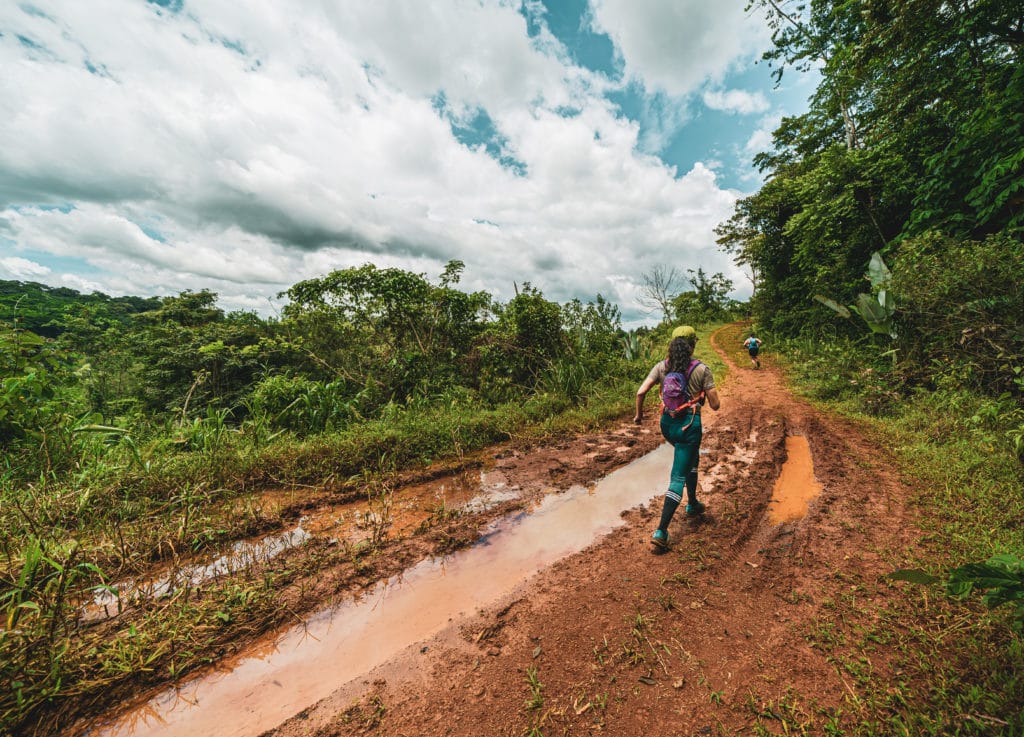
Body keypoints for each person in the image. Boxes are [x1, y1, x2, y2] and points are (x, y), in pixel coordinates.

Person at [633, 326, 720, 549]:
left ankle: (692, 503)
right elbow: (716, 405)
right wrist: (699, 395)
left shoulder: (662, 366)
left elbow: (641, 392)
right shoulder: (702, 369)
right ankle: (661, 532)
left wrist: (638, 416)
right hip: (689, 427)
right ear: (692, 345)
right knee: (678, 476)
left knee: (691, 459)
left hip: (667, 425)